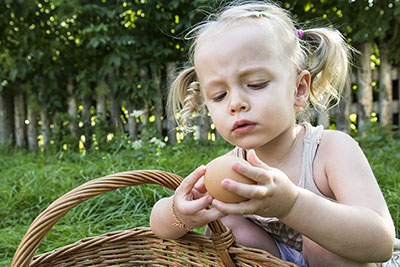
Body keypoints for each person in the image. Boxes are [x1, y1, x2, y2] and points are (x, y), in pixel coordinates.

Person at [150, 1, 397, 266]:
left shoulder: (330, 150)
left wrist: (291, 205)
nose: (236, 103)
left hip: (349, 259)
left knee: (322, 242)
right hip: (278, 259)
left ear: (299, 89)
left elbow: (381, 243)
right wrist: (180, 212)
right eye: (219, 95)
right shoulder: (230, 170)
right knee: (228, 224)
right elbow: (160, 227)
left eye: (256, 84)